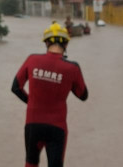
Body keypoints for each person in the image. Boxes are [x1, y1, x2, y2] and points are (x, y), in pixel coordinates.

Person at [11, 22, 88, 167]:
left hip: (33, 124)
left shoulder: (32, 59)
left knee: (30, 164)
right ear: (66, 43)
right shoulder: (72, 67)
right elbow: (83, 95)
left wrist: (32, 101)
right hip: (57, 127)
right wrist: (67, 79)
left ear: (46, 42)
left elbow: (15, 88)